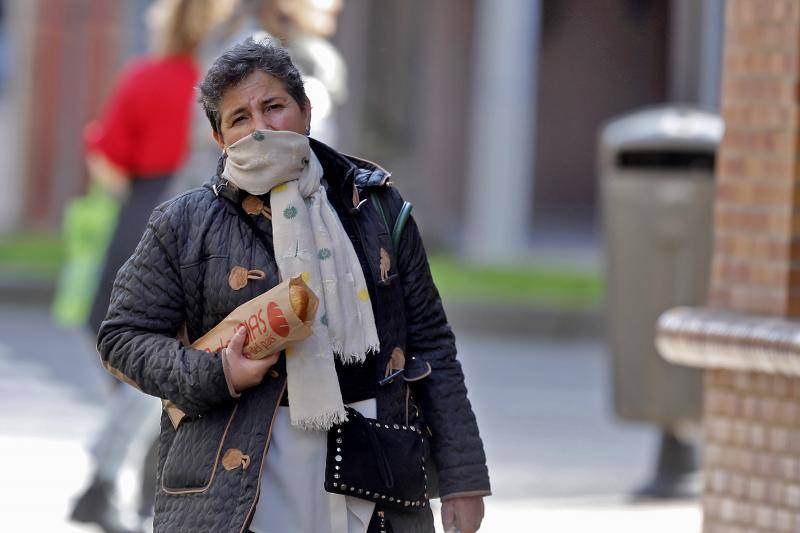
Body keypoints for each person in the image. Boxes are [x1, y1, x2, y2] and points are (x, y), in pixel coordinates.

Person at [97, 38, 490, 533]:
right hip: (240, 475)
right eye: (239, 118)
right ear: (220, 139)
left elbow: (432, 344)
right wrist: (219, 372)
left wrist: (462, 477)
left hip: (375, 467)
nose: (260, 128)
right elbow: (122, 339)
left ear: (305, 111)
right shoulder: (184, 223)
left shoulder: (378, 207)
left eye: (273, 107)